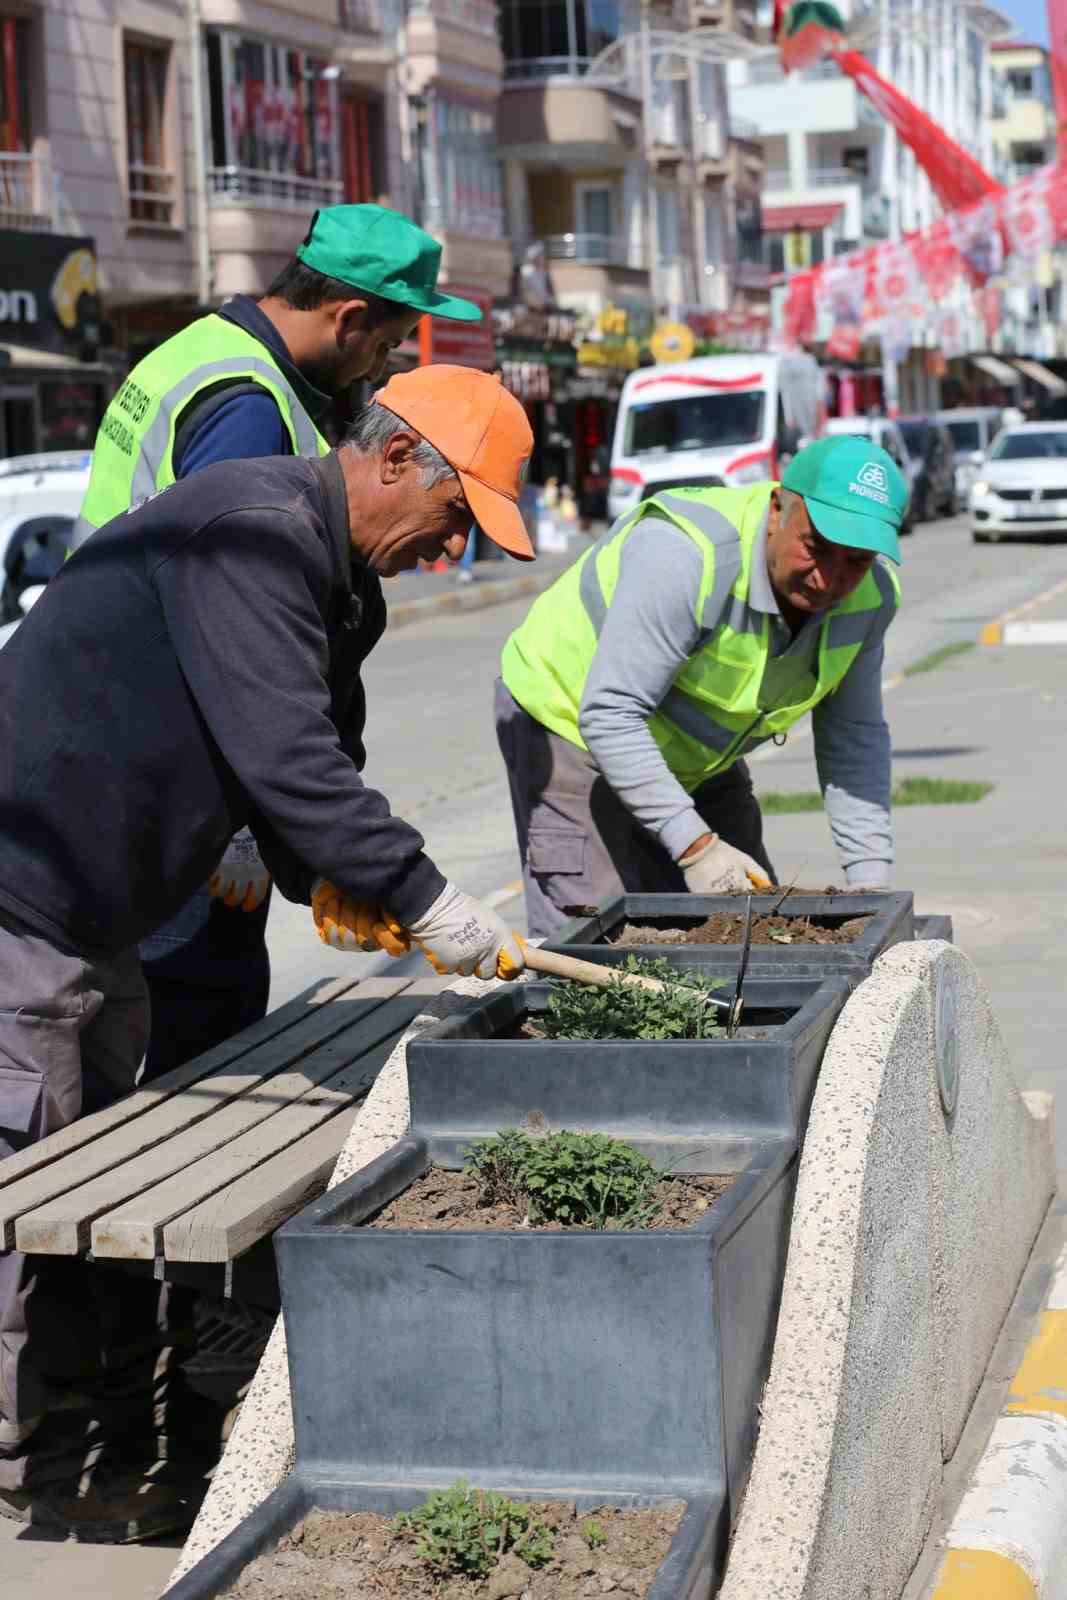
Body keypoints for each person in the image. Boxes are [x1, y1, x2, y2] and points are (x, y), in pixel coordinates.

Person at [0, 366, 531, 1532]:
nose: (452, 550)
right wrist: (431, 898)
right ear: (395, 459)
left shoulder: (346, 590)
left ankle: (92, 1444)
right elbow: (285, 756)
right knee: (34, 1199)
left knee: (91, 1187)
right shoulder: (250, 531)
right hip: (22, 900)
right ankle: (39, 1480)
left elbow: (300, 777)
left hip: (105, 917)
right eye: (454, 516)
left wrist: (327, 875)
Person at [72, 203, 485, 1079]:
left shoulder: (211, 354)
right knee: (200, 1045)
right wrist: (243, 842)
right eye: (390, 341)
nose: (387, 363)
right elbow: (227, 636)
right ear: (348, 319)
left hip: (128, 735)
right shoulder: (247, 409)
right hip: (163, 768)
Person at [495, 437, 908, 936]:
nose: (830, 579)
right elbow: (610, 713)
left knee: (759, 933)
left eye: (856, 561)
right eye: (816, 549)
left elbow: (854, 738)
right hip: (570, 724)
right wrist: (696, 847)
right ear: (777, 509)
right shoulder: (688, 555)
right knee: (598, 942)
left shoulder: (869, 600)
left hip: (696, 754)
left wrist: (871, 895)